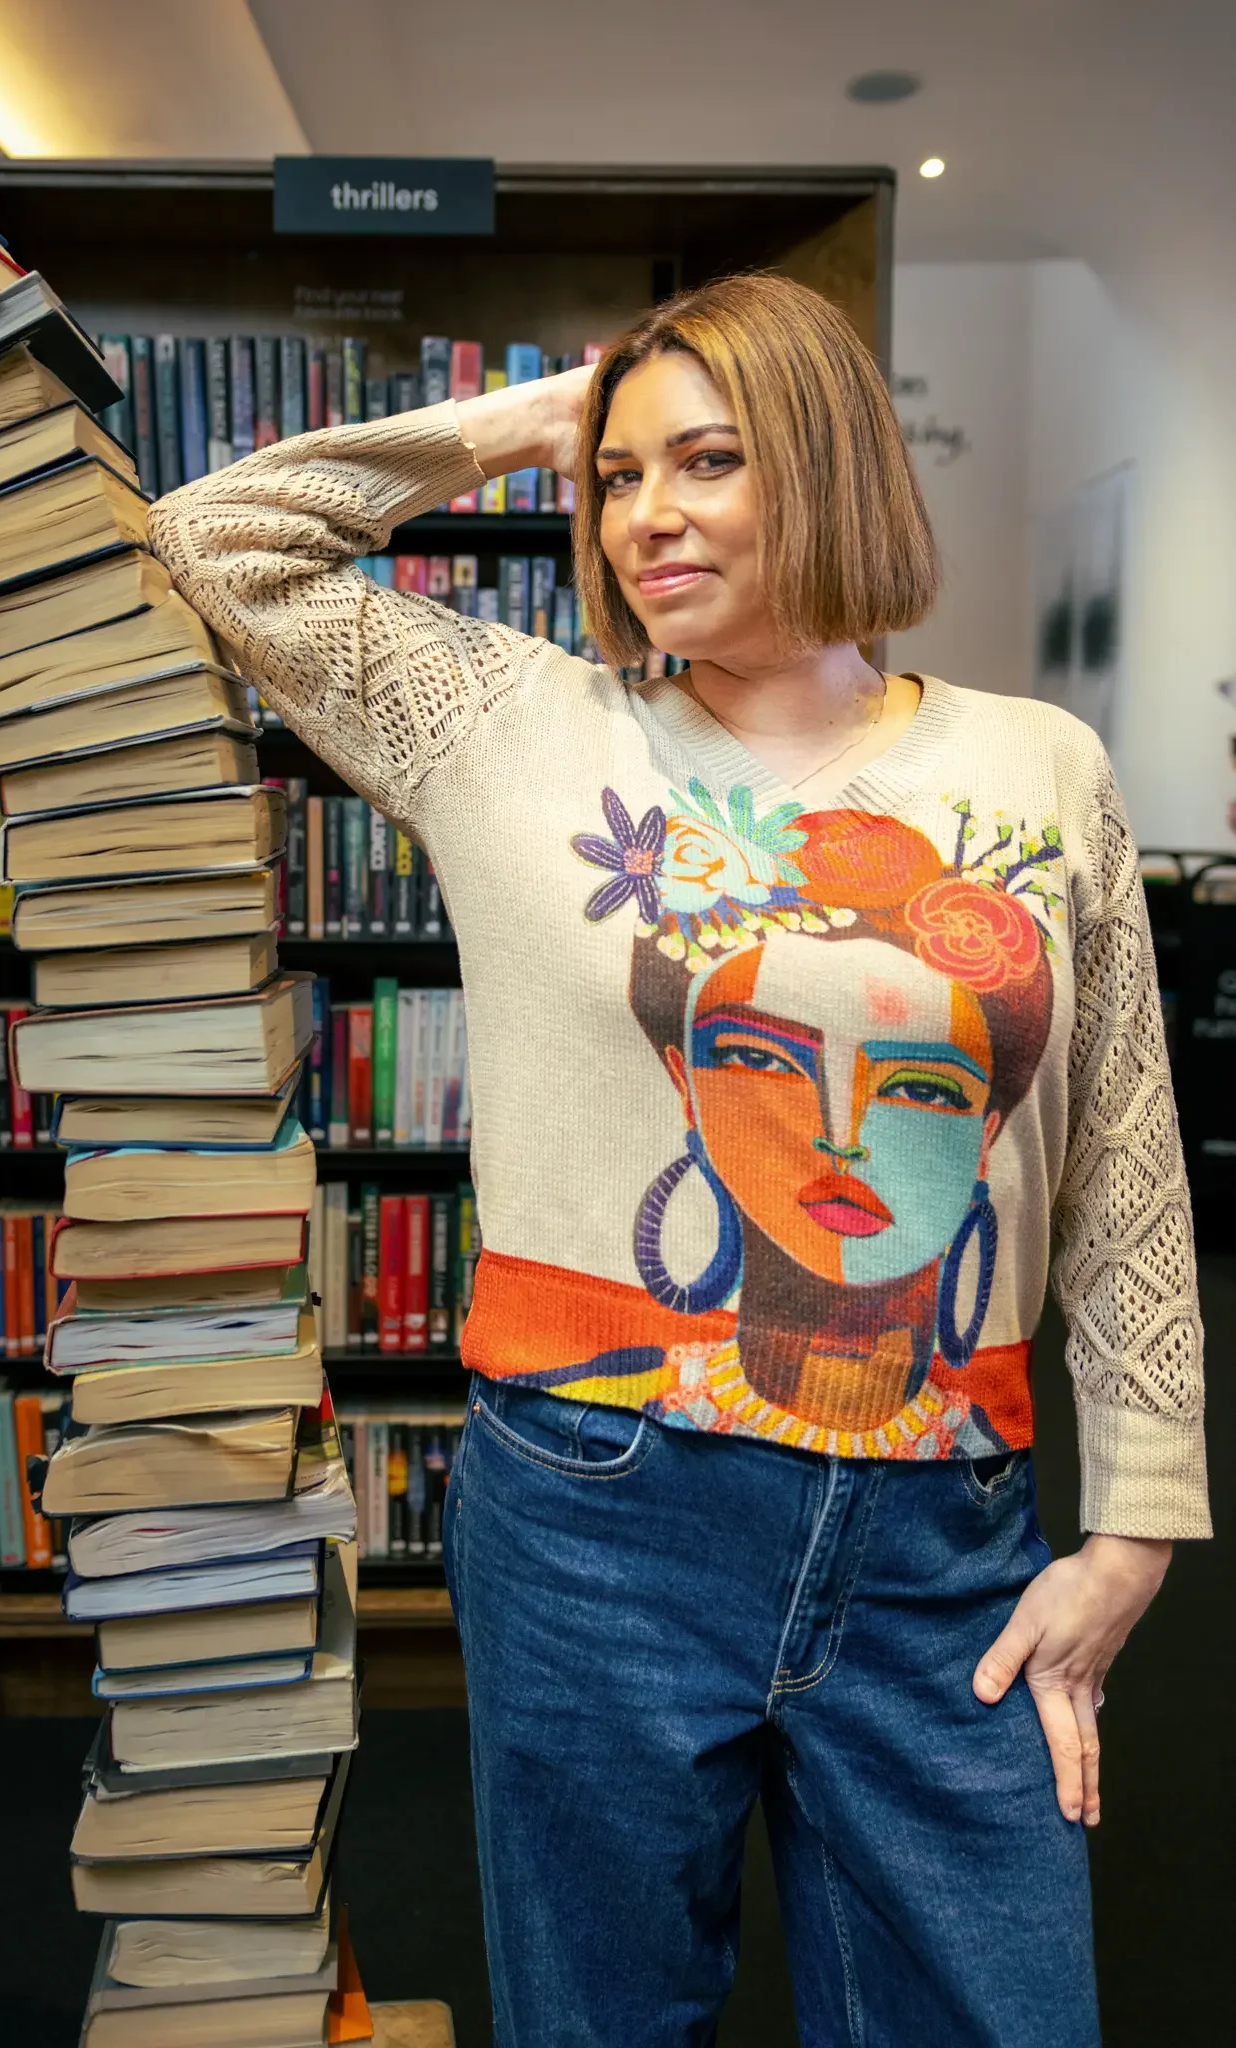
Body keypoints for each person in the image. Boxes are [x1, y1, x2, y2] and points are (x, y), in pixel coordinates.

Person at [148, 272, 1209, 2048]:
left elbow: (1120, 1153)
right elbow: (210, 545)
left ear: (833, 459)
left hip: (942, 1522)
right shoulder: (513, 726)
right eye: (621, 479)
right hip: (595, 1514)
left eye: (707, 460)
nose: (646, 515)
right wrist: (532, 414)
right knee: (605, 2022)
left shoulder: (1038, 768)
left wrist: (1137, 1528)